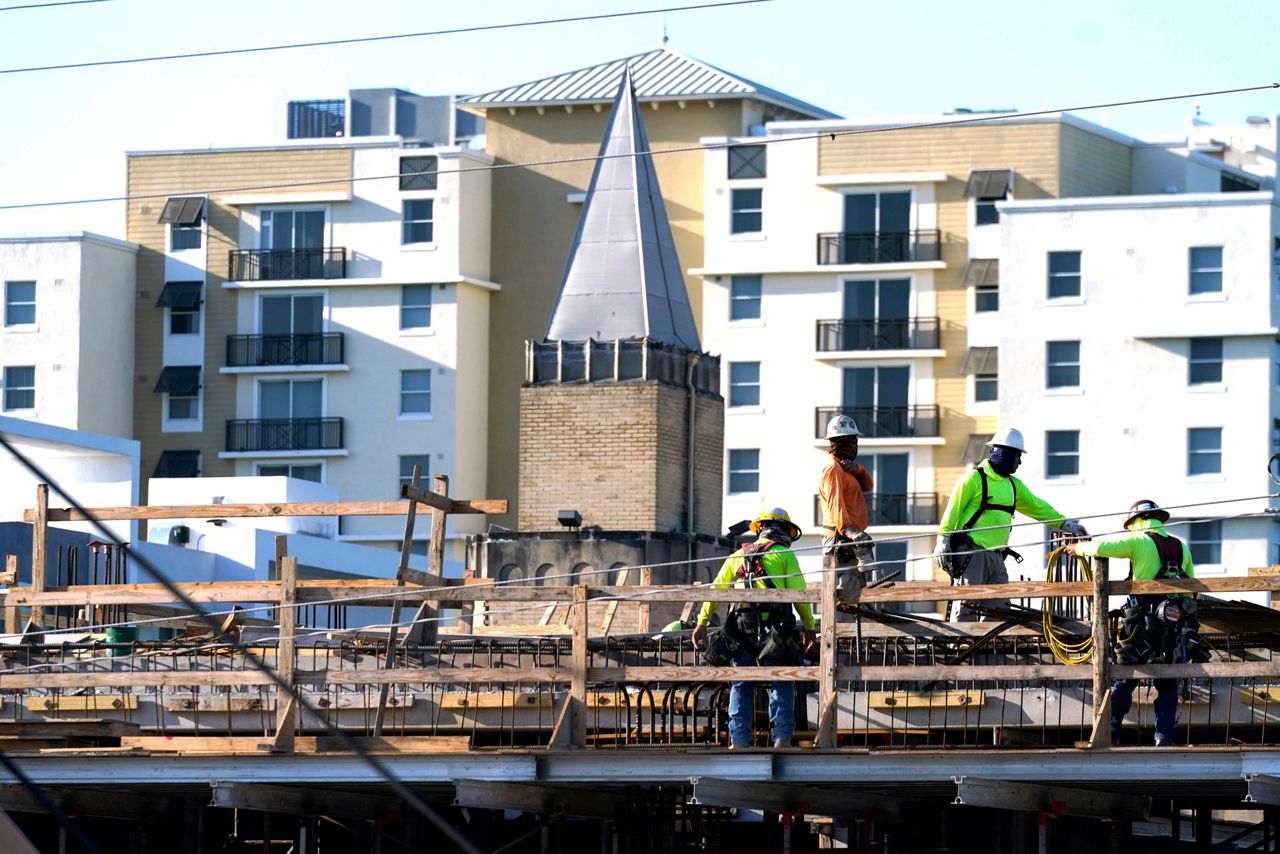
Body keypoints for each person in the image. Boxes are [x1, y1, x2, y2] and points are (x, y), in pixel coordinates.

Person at [1065, 498, 1206, 746]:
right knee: (1168, 681)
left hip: (1142, 625)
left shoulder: (1138, 540)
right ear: (1158, 519)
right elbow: (1191, 588)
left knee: (1125, 677)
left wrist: (1077, 549)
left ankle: (1111, 731)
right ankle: (1163, 737)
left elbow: (1102, 546)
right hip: (1174, 625)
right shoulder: (1182, 547)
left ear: (1136, 521)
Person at [692, 506, 816, 748]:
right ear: (784, 531)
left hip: (742, 631)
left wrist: (702, 623)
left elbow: (717, 590)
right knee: (781, 680)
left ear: (760, 529)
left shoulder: (738, 556)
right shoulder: (784, 556)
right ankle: (781, 738)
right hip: (777, 632)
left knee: (741, 681)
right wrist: (810, 627)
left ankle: (739, 740)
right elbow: (800, 596)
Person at [935, 427, 1086, 621]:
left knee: (999, 612)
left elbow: (1039, 508)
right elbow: (953, 509)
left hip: (998, 557)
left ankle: (987, 652)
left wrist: (1066, 525)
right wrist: (943, 539)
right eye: (1017, 456)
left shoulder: (1014, 486)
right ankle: (961, 649)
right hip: (972, 553)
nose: (1020, 461)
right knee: (967, 608)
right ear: (1004, 453)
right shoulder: (974, 479)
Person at [818, 414, 875, 611]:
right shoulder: (833, 468)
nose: (853, 444)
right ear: (836, 443)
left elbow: (868, 484)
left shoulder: (846, 467)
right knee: (844, 594)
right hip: (838, 538)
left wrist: (857, 469)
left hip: (847, 538)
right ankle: (840, 634)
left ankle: (851, 633)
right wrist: (851, 531)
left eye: (854, 440)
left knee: (855, 591)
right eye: (849, 440)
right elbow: (836, 506)